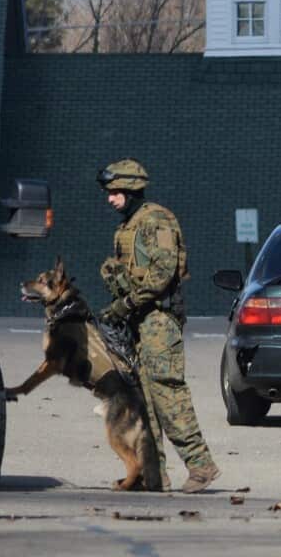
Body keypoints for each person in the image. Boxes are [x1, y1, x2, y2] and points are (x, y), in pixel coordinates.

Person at [97, 158, 220, 493]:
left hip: (158, 322)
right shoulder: (128, 225)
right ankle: (155, 474)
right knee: (144, 404)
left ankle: (201, 465)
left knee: (168, 396)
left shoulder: (156, 220)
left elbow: (161, 275)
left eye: (116, 191)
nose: (110, 198)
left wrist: (122, 306)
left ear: (132, 189)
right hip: (139, 322)